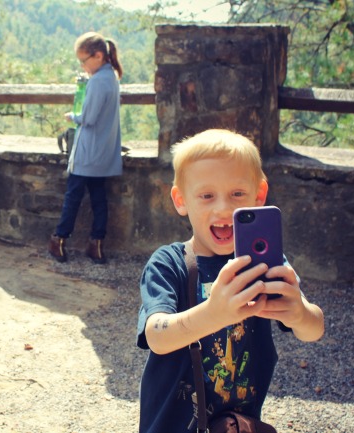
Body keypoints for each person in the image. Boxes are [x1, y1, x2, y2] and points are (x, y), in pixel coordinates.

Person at [136, 129, 324, 432]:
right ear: (181, 200)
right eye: (207, 196)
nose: (223, 208)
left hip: (235, 425)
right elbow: (157, 337)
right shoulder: (169, 263)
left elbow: (314, 329)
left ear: (259, 195)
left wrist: (300, 314)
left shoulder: (264, 263)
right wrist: (214, 313)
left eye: (237, 194)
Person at [48, 32, 124, 265]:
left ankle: (58, 240)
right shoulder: (110, 76)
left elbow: (88, 118)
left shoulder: (99, 81)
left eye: (84, 60)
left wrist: (73, 115)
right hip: (103, 153)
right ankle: (96, 245)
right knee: (99, 199)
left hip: (88, 153)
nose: (82, 65)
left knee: (73, 197)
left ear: (98, 56)